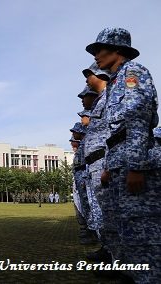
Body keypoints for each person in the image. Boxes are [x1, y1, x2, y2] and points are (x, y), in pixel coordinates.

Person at [87, 27, 160, 283]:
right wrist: (108, 166)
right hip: (118, 160)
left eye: (99, 49)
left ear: (117, 50)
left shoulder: (133, 72)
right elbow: (112, 132)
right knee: (124, 227)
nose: (95, 55)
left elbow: (137, 119)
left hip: (132, 159)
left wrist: (137, 166)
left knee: (142, 232)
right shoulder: (116, 81)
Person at [81, 63, 114, 267]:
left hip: (105, 161)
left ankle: (118, 259)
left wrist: (107, 165)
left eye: (88, 75)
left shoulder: (111, 96)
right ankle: (109, 251)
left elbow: (114, 132)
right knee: (104, 211)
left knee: (110, 212)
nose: (86, 79)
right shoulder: (103, 100)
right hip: (96, 163)